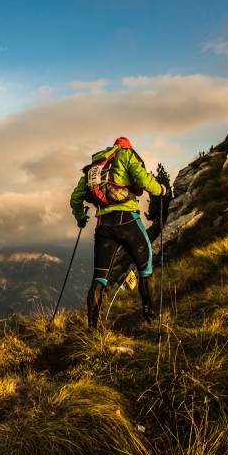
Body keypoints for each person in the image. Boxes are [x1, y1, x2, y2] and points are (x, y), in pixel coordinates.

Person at [69, 136, 167, 329]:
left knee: (99, 278)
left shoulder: (94, 167)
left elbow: (75, 199)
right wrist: (161, 190)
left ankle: (92, 330)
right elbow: (143, 179)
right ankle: (149, 314)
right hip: (128, 220)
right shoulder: (126, 156)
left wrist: (80, 218)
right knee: (145, 268)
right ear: (127, 146)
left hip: (103, 225)